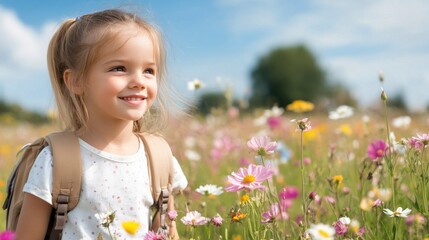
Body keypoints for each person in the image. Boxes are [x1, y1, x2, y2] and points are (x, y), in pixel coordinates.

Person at [15, 8, 188, 239]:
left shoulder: (158, 157)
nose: (138, 81)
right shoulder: (55, 161)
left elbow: (167, 233)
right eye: (119, 68)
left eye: (149, 70)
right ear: (75, 81)